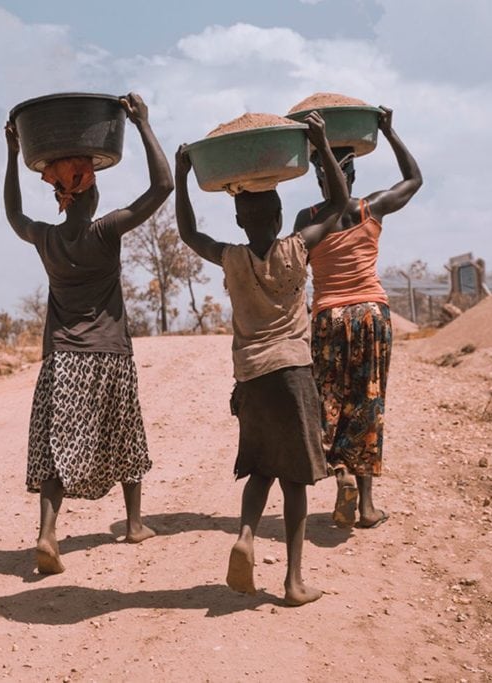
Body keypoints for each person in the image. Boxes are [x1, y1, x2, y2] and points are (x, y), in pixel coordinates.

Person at [174, 112, 347, 606]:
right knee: (295, 480)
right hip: (293, 372)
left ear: (238, 220)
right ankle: (293, 582)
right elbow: (336, 203)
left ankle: (246, 535)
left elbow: (188, 233)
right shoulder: (298, 247)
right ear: (277, 216)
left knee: (259, 468)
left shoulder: (230, 257)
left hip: (251, 377)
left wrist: (185, 177)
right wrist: (319, 143)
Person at [4, 92, 173, 574]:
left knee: (60, 446)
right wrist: (143, 124)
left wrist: (12, 154)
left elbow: (13, 214)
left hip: (62, 359)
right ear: (90, 195)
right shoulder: (106, 231)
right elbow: (162, 187)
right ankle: (135, 523)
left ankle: (46, 534)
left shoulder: (47, 237)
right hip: (110, 355)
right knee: (126, 437)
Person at [293, 106, 423, 530]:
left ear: (319, 175)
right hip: (372, 314)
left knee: (329, 403)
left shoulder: (307, 220)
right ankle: (366, 507)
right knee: (368, 403)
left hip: (330, 316)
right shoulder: (372, 208)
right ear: (352, 175)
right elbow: (414, 179)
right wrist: (389, 129)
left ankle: (341, 475)